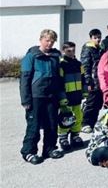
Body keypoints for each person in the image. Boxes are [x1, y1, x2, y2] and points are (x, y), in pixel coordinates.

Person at [20, 29, 65, 164]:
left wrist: (61, 95)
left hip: (52, 96)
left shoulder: (55, 56)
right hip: (35, 97)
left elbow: (59, 78)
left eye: (52, 41)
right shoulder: (31, 56)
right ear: (41, 39)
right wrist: (26, 100)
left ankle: (49, 149)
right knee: (34, 126)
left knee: (52, 124)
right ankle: (28, 152)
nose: (50, 43)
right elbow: (24, 80)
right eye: (47, 40)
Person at [57, 42, 86, 151]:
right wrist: (62, 96)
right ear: (63, 51)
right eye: (68, 51)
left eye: (73, 50)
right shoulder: (61, 65)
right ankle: (63, 137)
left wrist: (85, 91)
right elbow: (59, 82)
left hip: (77, 96)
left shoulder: (79, 64)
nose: (71, 53)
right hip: (66, 98)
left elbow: (83, 78)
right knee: (66, 118)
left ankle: (75, 136)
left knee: (78, 117)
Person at [80, 28, 104, 133]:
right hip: (92, 81)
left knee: (98, 103)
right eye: (95, 38)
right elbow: (85, 66)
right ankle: (85, 123)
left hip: (100, 81)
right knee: (90, 102)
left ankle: (93, 123)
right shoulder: (87, 49)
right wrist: (88, 81)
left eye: (99, 37)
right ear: (91, 38)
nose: (98, 39)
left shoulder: (100, 48)